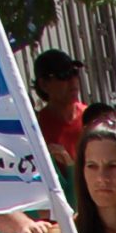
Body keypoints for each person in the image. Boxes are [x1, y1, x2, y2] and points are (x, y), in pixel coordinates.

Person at [32, 48, 85, 184]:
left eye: (74, 73)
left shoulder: (91, 119)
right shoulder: (37, 130)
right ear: (44, 84)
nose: (73, 81)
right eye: (63, 75)